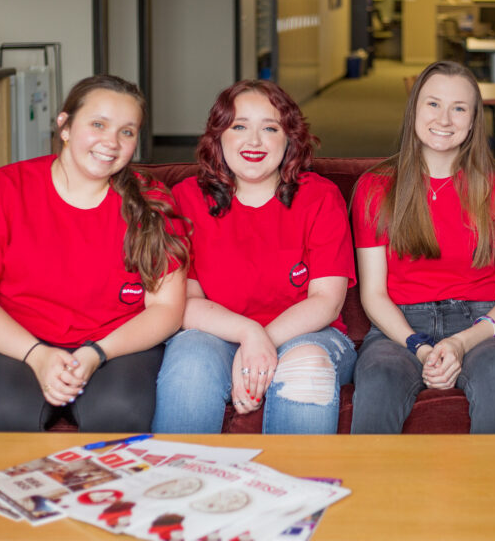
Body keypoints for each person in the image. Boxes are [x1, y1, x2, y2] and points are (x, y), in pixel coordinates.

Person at [0, 74, 189, 433]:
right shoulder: (2, 190)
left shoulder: (153, 202)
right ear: (65, 125)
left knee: (118, 411)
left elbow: (166, 309)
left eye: (127, 131)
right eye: (98, 124)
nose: (111, 142)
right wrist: (37, 355)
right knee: (5, 411)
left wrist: (95, 354)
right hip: (15, 341)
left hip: (114, 345)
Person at [151, 79, 357, 435]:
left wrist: (262, 343)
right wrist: (249, 334)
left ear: (290, 138)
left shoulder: (321, 198)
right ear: (219, 136)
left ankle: (297, 489)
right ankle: (179, 484)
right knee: (190, 362)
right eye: (240, 126)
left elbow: (325, 301)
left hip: (307, 335)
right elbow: (185, 301)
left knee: (305, 366)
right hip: (211, 335)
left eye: (270, 128)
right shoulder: (186, 198)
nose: (254, 141)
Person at [349, 60, 495, 434]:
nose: (444, 119)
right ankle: (375, 493)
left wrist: (461, 343)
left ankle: (492, 494)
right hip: (397, 327)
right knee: (379, 379)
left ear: (473, 119)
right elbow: (374, 294)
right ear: (414, 108)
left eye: (459, 108)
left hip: (481, 325)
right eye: (433, 104)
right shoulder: (375, 189)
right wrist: (419, 345)